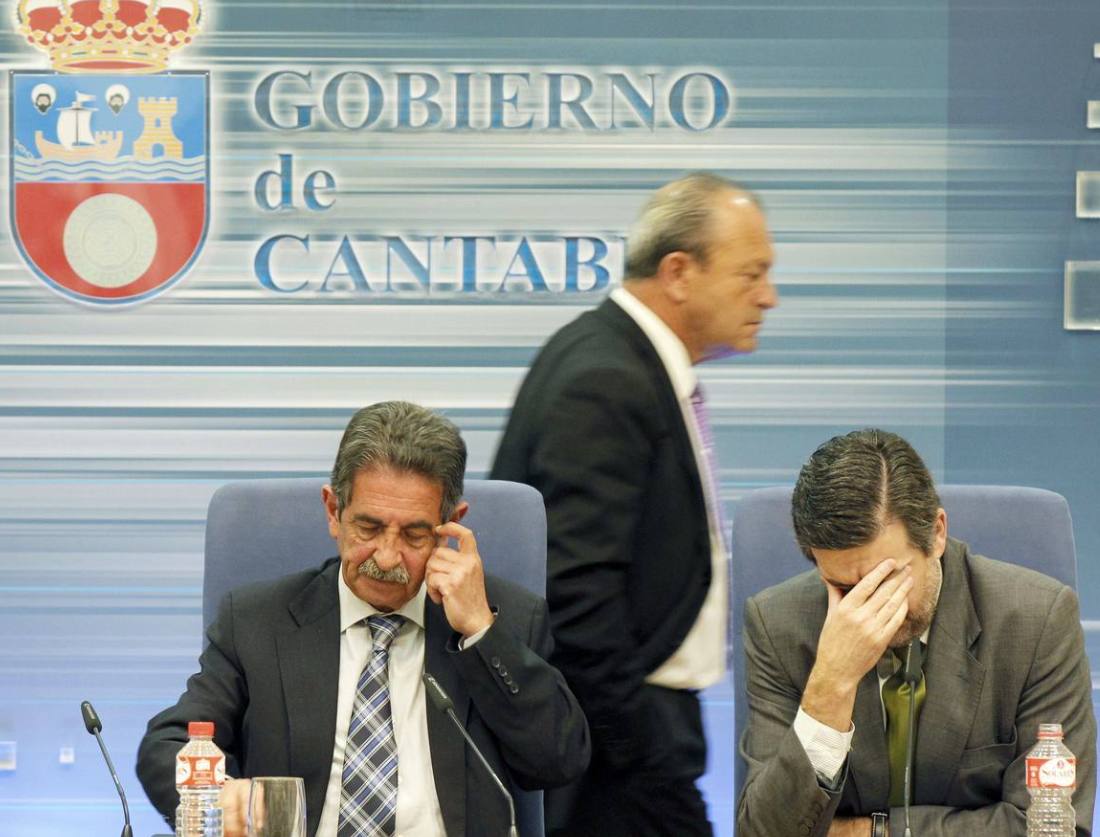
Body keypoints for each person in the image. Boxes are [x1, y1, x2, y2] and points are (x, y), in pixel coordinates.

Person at [137, 400, 590, 837]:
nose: (387, 557)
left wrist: (480, 632)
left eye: (414, 534)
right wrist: (217, 796)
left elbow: (557, 762)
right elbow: (171, 743)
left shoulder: (503, 619)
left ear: (451, 523)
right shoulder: (258, 622)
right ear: (334, 511)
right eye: (369, 529)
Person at [491, 172, 778, 836]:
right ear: (679, 271)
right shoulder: (606, 379)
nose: (769, 296)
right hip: (610, 756)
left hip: (633, 735)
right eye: (750, 274)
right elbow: (577, 595)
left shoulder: (624, 360)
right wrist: (638, 750)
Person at [737, 428, 1096, 837]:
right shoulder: (777, 624)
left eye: (886, 578)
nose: (867, 610)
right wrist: (831, 684)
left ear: (937, 533)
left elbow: (1049, 828)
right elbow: (764, 832)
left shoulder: (1037, 620)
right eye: (844, 588)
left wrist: (873, 833)